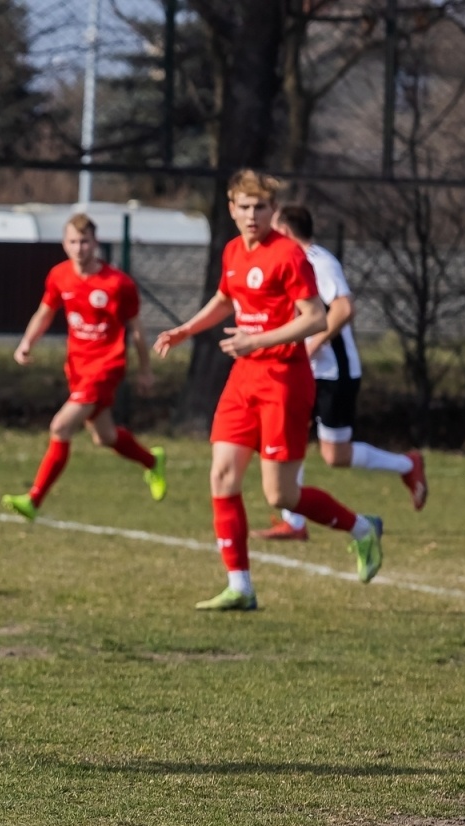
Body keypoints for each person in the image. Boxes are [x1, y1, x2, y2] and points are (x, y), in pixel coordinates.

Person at [155, 170, 382, 611]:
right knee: (221, 476)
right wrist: (186, 329)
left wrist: (256, 340)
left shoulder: (289, 256)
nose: (252, 215)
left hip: (283, 379)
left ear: (273, 211)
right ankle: (240, 585)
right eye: (244, 206)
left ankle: (362, 529)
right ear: (231, 209)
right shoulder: (233, 251)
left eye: (260, 207)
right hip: (244, 379)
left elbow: (315, 317)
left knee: (281, 496)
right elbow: (226, 298)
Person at [257, 204, 426, 540]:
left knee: (336, 455)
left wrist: (312, 344)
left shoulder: (320, 262)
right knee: (289, 438)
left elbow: (345, 308)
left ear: (287, 231)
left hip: (334, 372)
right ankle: (294, 521)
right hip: (304, 373)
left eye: (274, 229)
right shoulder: (289, 263)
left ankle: (408, 465)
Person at [2, 213, 165, 521]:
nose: (79, 248)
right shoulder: (60, 276)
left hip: (107, 366)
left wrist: (145, 370)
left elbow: (138, 330)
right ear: (65, 244)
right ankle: (152, 462)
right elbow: (44, 312)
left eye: (85, 241)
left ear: (96, 242)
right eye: (73, 242)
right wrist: (26, 343)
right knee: (104, 436)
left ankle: (34, 500)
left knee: (61, 426)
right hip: (77, 366)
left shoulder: (118, 284)